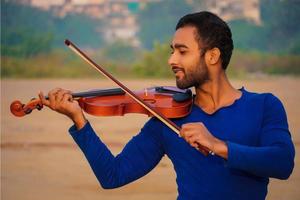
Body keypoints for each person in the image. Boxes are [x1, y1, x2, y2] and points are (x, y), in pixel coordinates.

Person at [38, 11, 295, 200]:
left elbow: (283, 163)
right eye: (172, 50)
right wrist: (79, 120)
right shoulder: (167, 120)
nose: (172, 59)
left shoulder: (264, 106)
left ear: (213, 56)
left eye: (182, 51)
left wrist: (218, 145)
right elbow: (113, 175)